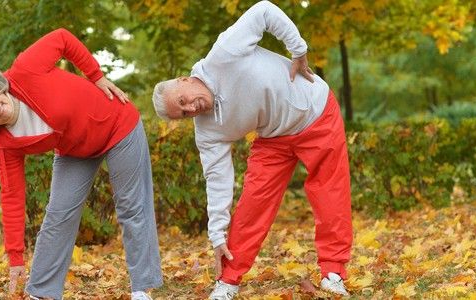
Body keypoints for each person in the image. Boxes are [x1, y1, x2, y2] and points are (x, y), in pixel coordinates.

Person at [151, 1, 352, 298]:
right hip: (273, 138)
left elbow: (264, 10)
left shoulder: (224, 53)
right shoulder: (207, 131)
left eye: (184, 101)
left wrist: (298, 49)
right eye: (184, 114)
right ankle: (229, 280)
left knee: (330, 193)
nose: (191, 108)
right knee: (252, 204)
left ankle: (333, 273)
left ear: (184, 81)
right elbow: (217, 179)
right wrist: (216, 233)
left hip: (317, 113)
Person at [0, 28, 162, 300]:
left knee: (131, 206)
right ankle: (42, 292)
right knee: (59, 214)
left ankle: (141, 288)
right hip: (76, 150)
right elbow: (12, 196)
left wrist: (96, 76)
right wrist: (15, 256)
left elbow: (63, 38)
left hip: (118, 124)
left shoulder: (25, 70)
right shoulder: (6, 143)